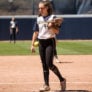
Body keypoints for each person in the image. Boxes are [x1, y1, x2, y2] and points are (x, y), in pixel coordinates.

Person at [31, 1, 66, 91]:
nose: (40, 9)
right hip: (41, 43)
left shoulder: (52, 17)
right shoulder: (38, 18)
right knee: (44, 64)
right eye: (39, 8)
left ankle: (62, 80)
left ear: (47, 8)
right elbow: (35, 32)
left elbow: (56, 32)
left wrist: (51, 26)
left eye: (42, 8)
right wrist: (32, 45)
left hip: (50, 41)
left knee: (49, 64)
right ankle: (46, 85)